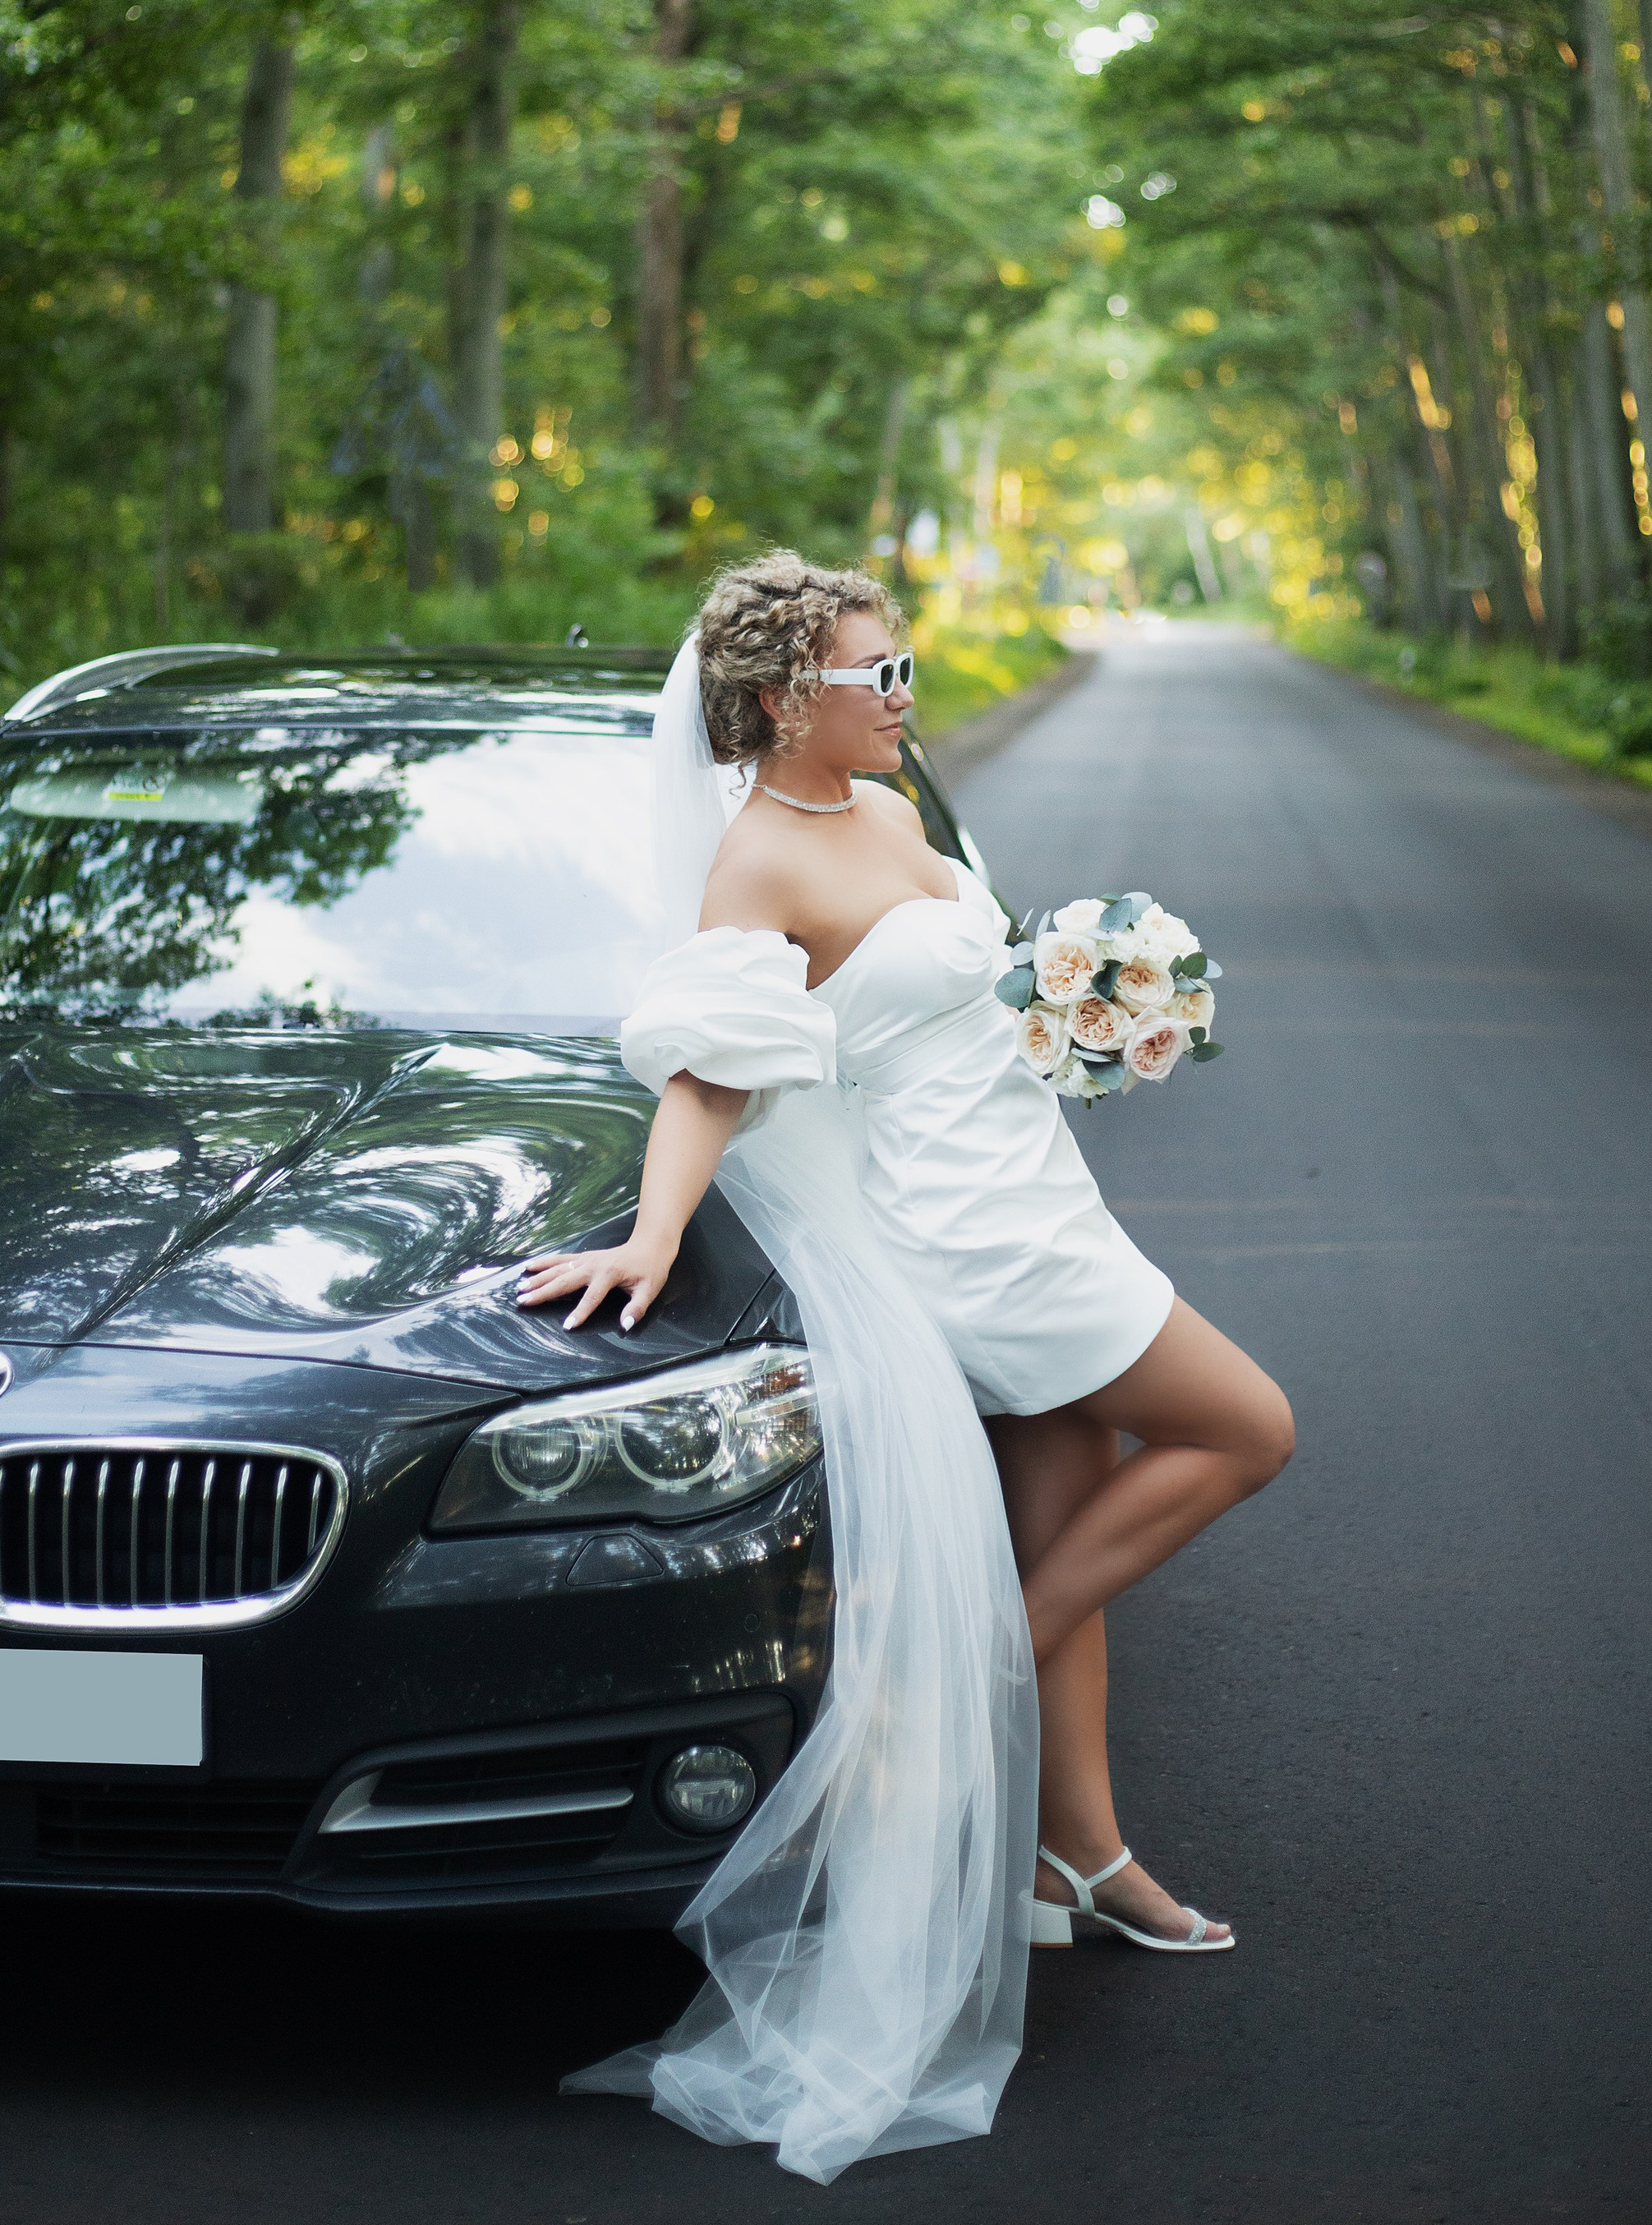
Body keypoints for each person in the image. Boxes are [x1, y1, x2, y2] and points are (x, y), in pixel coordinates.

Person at [518, 550, 1294, 2183]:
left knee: (1067, 1498)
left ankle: (1075, 1860)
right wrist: (648, 1240)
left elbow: (953, 995)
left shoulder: (890, 801)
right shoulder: (756, 865)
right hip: (967, 1244)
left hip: (1034, 1192)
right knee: (1243, 1428)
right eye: (877, 675)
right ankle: (960, 1679)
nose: (902, 696)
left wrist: (1077, 1013)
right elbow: (710, 1074)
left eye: (904, 669)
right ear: (784, 697)